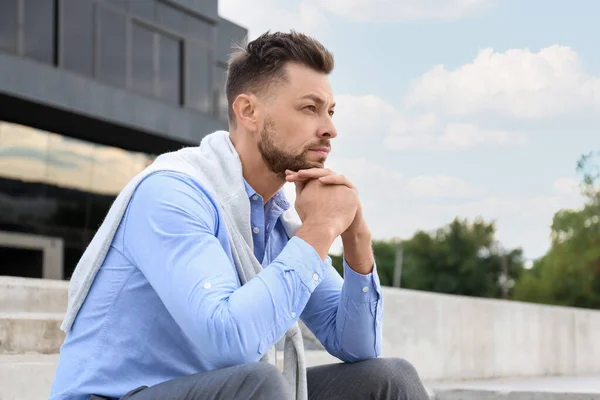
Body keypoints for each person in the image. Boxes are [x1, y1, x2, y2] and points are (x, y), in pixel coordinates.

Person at [49, 31, 429, 400]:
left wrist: (355, 239)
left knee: (389, 380)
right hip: (119, 395)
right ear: (248, 111)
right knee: (258, 385)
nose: (330, 129)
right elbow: (228, 342)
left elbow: (358, 347)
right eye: (310, 108)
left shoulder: (276, 223)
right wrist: (321, 228)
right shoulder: (172, 193)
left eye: (329, 112)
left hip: (221, 391)